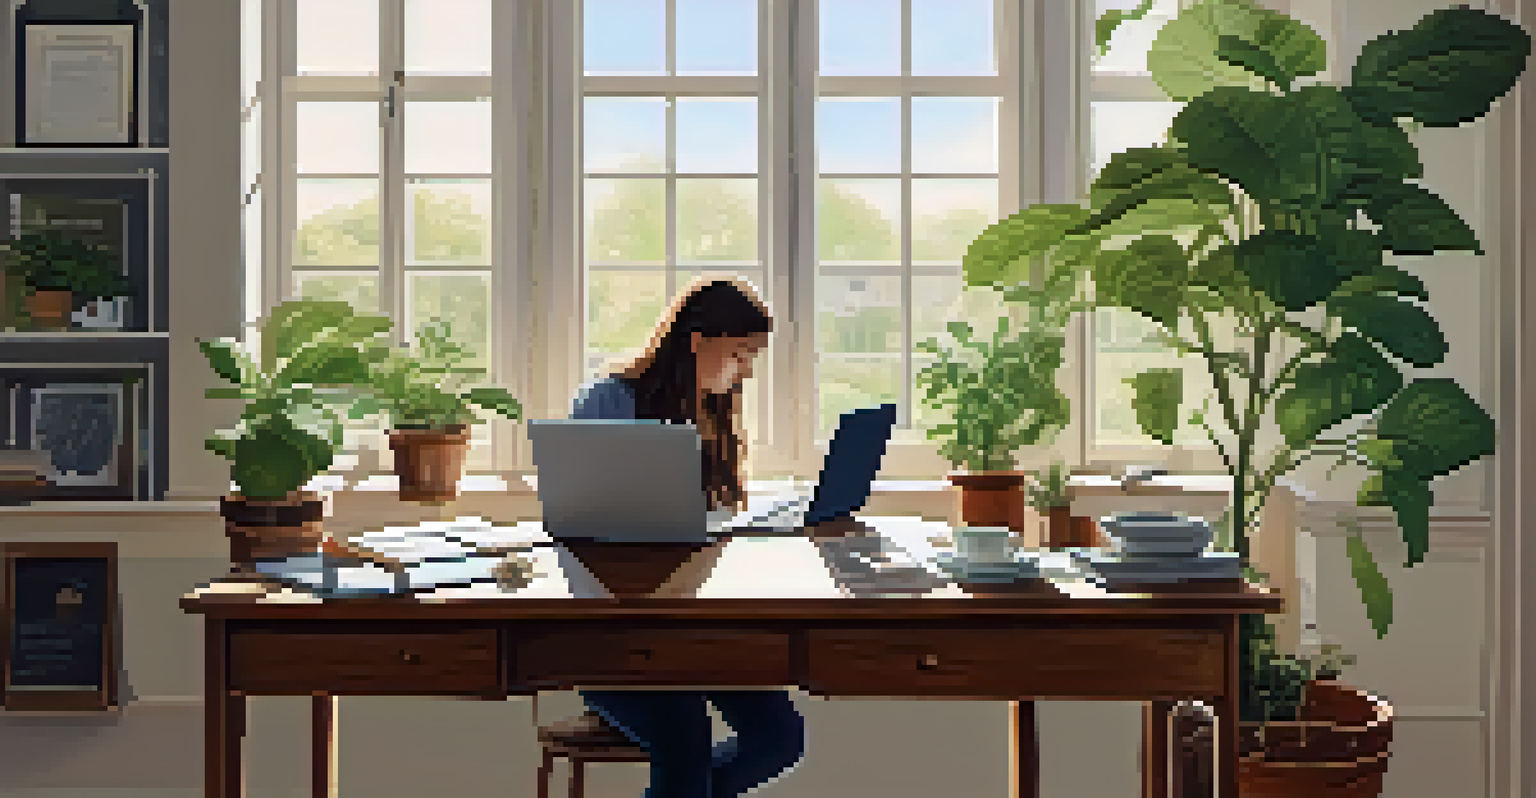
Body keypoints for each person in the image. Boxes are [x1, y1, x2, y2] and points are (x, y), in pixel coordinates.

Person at [562, 273, 806, 798]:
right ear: (697, 340)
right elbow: (578, 520)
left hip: (692, 621)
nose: (745, 370)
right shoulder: (608, 401)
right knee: (684, 734)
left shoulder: (716, 416)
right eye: (740, 354)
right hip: (612, 629)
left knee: (780, 737)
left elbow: (712, 524)